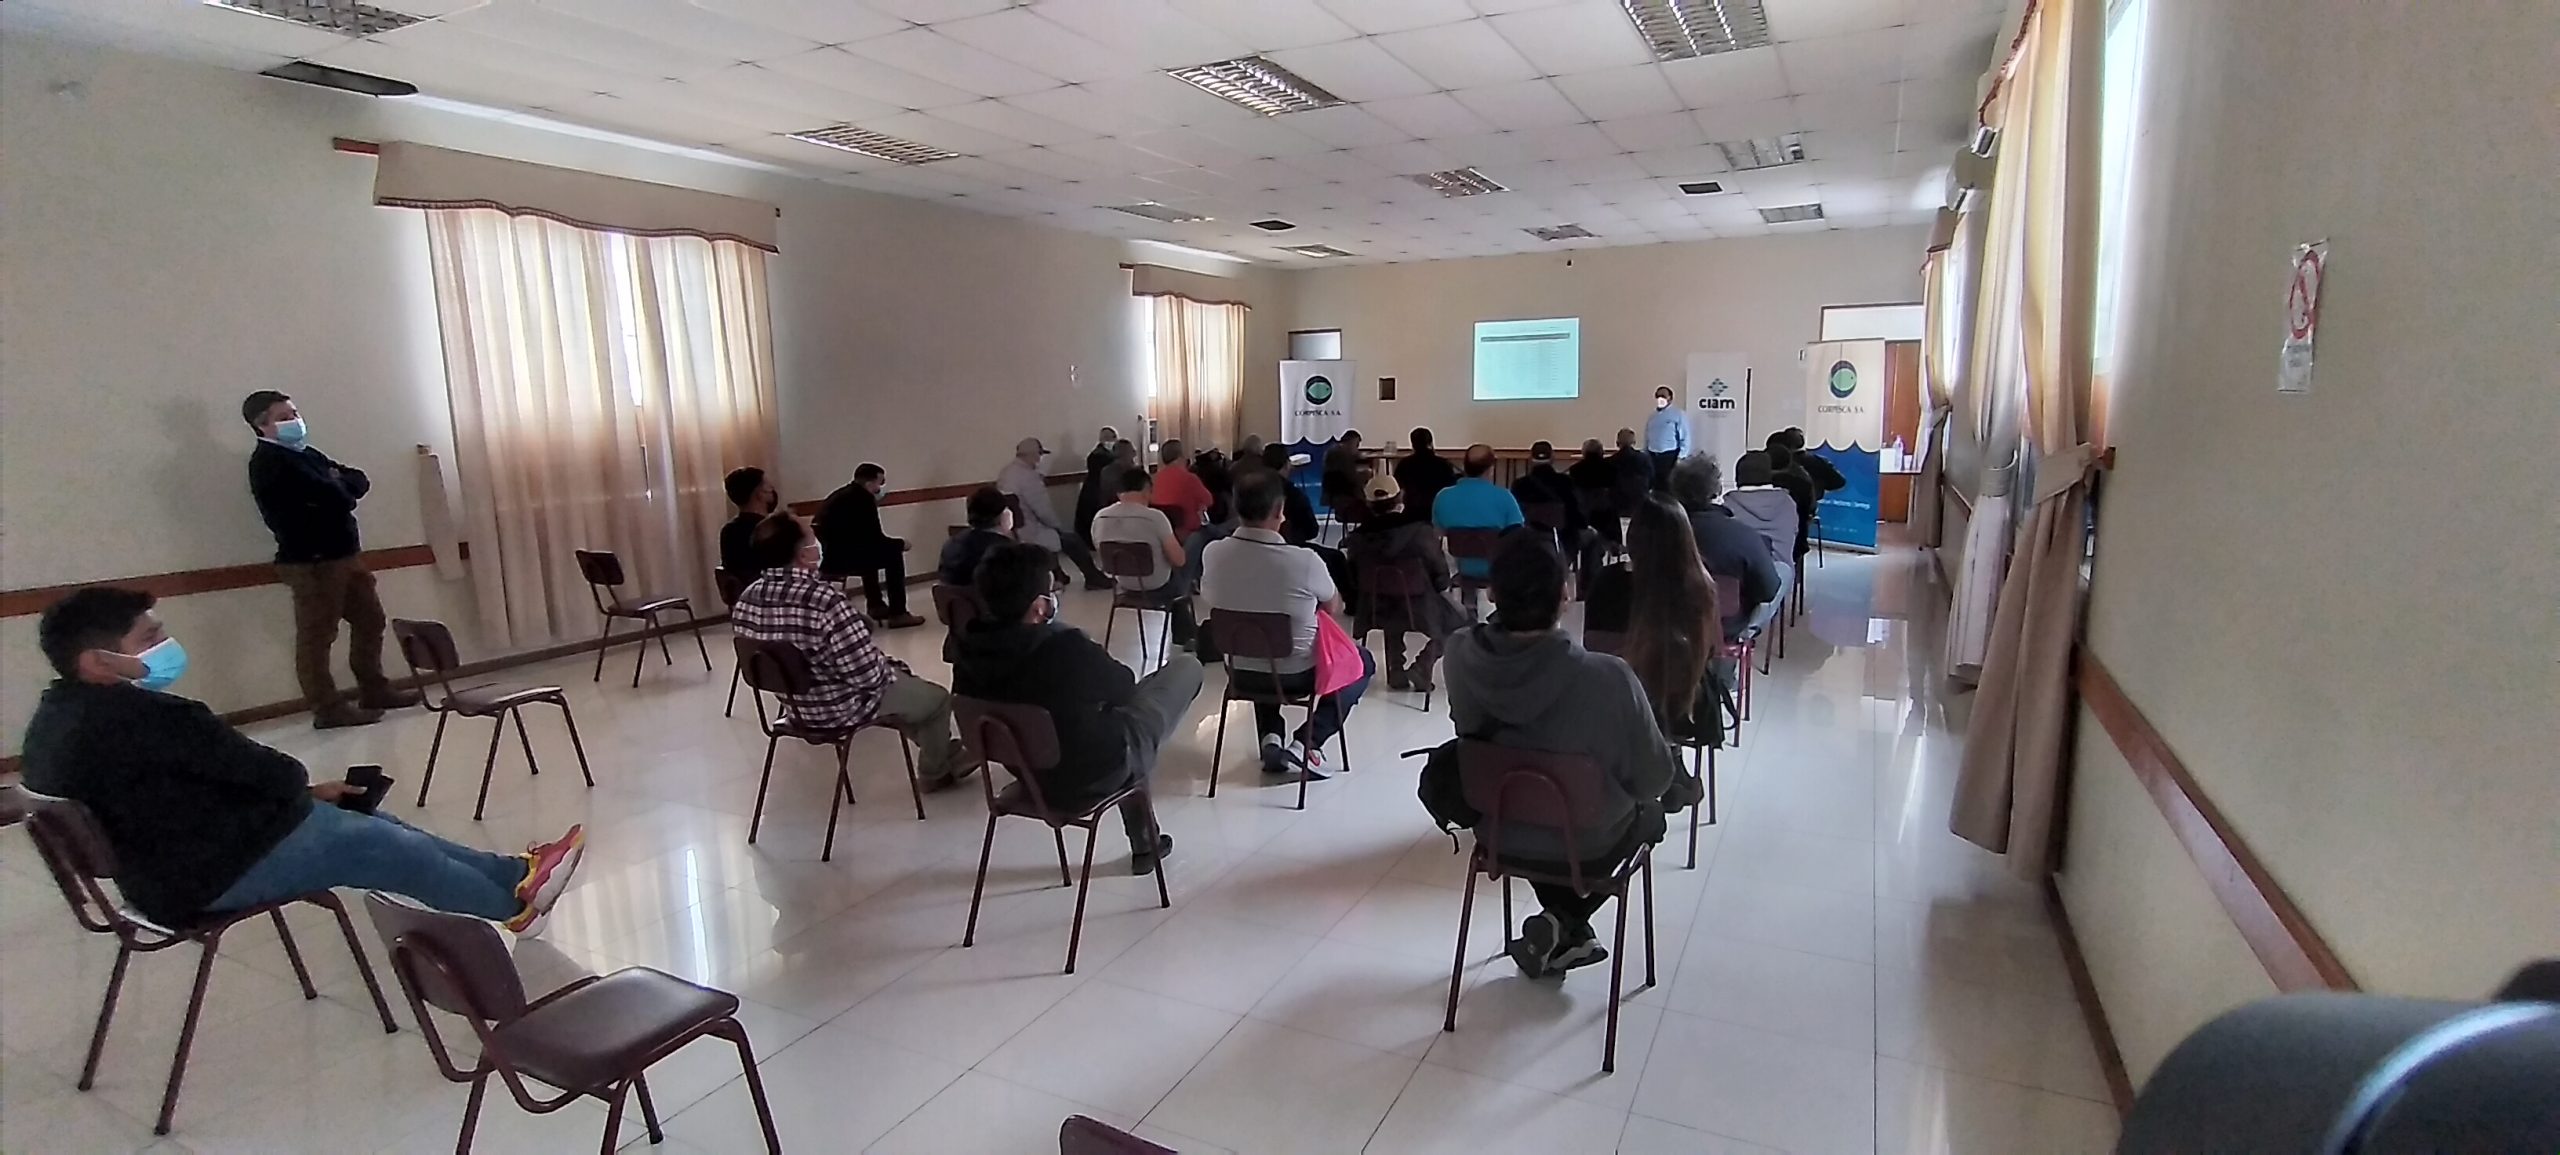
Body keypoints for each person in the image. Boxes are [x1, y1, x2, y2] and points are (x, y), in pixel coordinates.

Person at [21, 587, 586, 935]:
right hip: (204, 873)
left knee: (364, 819)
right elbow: (269, 772)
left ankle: (516, 875)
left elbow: (181, 788)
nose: (164, 645)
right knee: (384, 845)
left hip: (169, 865)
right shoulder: (152, 717)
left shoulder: (56, 716)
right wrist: (300, 789)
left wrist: (304, 794)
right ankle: (512, 908)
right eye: (149, 637)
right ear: (98, 661)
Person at [1443, 535, 1680, 979]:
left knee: (1543, 800)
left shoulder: (1458, 653)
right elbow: (1652, 782)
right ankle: (1564, 921)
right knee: (1651, 815)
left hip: (1497, 826)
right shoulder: (1609, 677)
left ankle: (1560, 928)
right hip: (1586, 840)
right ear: (1567, 593)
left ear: (1492, 593)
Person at [952, 543, 1205, 875]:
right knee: (1185, 668)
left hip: (1030, 773)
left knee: (1107, 718)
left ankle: (1146, 838)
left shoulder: (965, 652)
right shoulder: (1065, 649)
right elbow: (1124, 685)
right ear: (1040, 607)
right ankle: (1145, 840)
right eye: (1051, 589)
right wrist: (1068, 636)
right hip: (1094, 774)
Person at [733, 515, 974, 791]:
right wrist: (894, 668)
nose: (819, 542)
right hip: (841, 705)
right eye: (813, 537)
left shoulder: (747, 597)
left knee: (908, 693)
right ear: (804, 555)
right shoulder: (824, 600)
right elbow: (869, 678)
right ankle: (936, 773)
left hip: (795, 706)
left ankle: (942, 750)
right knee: (936, 700)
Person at [242, 390, 420, 729]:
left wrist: (339, 484)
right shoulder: (269, 462)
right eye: (283, 417)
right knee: (317, 638)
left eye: (294, 412)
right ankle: (327, 709)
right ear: (261, 425)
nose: (295, 420)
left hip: (344, 555)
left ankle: (374, 689)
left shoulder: (306, 454)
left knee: (371, 621)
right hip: (312, 561)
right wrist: (337, 485)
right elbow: (334, 495)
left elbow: (356, 479)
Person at [1200, 471, 1376, 779]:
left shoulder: (1213, 553)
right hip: (1297, 675)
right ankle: (1306, 743)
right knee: (1361, 662)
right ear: (1280, 512)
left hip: (1240, 672)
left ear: (1236, 508)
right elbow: (1333, 606)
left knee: (1256, 640)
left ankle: (1271, 738)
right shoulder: (1304, 561)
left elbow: (1209, 596)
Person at [1583, 494, 1724, 743]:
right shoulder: (1699, 587)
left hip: (1613, 704)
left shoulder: (1605, 581)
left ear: (1634, 538)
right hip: (1682, 708)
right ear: (1685, 539)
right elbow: (1711, 651)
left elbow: (1591, 647)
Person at [1341, 475, 1467, 691]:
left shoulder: (1356, 540)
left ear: (1369, 504)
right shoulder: (1420, 533)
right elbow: (1440, 574)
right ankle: (1423, 663)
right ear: (1400, 498)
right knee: (1460, 620)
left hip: (1374, 606)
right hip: (1419, 606)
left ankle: (1396, 671)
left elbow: (1352, 577)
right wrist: (1441, 587)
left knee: (1392, 608)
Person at [1666, 456, 1779, 650]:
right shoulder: (1743, 535)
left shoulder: (1657, 531)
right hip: (1724, 629)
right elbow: (1768, 591)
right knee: (1780, 573)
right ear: (1717, 490)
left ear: (1674, 491)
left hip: (1664, 625)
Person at [1089, 468, 1195, 646]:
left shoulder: (1100, 517)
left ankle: (1184, 632)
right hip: (1157, 585)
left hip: (1122, 585)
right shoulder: (1155, 518)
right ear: (1147, 489)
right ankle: (1186, 635)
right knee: (1183, 570)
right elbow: (1179, 560)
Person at [815, 463, 924, 629]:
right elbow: (875, 539)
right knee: (893, 554)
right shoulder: (863, 499)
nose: (881, 488)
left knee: (870, 552)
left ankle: (876, 605)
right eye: (880, 483)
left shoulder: (840, 496)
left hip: (832, 558)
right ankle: (898, 613)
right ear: (869, 483)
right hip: (847, 559)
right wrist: (901, 544)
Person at [999, 436, 1111, 590]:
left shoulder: (1006, 472)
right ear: (1033, 455)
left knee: (1052, 537)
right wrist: (1058, 526)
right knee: (1071, 539)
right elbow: (1042, 509)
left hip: (1014, 529)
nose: (1040, 459)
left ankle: (1059, 574)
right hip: (1029, 529)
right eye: (1039, 455)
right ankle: (1092, 577)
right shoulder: (1028, 477)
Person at [1433, 444, 1526, 612]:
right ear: (1490, 469)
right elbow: (1517, 534)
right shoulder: (1504, 497)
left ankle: (1469, 613)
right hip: (1496, 568)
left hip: (1459, 568)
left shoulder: (1443, 497)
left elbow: (1436, 535)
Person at [1723, 450, 1802, 633]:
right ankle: (1748, 631)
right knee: (1782, 571)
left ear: (1738, 477)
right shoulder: (1788, 504)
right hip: (1774, 586)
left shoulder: (1727, 507)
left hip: (1733, 588)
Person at [1511, 440, 1603, 590]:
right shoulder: (1565, 482)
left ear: (1530, 459)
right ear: (1553, 458)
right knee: (1593, 538)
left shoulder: (1519, 485)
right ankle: (1587, 588)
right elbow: (1576, 515)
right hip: (1564, 543)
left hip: (1529, 542)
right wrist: (1585, 525)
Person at [938, 486, 1015, 586]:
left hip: (958, 600)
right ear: (1004, 515)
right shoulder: (1007, 550)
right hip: (988, 600)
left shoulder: (951, 544)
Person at [721, 466, 778, 584]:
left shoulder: (728, 531)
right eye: (769, 488)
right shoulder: (773, 530)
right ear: (759, 494)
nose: (773, 491)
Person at [1148, 440, 1215, 537]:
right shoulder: (1190, 478)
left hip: (1161, 533)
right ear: (1181, 456)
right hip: (1189, 533)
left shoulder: (1153, 479)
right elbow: (1209, 501)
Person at [1567, 438, 1624, 550]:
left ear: (1583, 452)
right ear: (1601, 452)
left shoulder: (1575, 470)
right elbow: (1618, 494)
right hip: (1607, 518)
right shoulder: (1612, 470)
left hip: (1582, 518)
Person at [1080, 440, 1139, 547]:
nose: (1135, 454)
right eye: (1132, 451)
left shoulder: (1105, 471)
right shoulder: (1131, 472)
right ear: (1126, 453)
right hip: (1128, 515)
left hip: (1107, 516)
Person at [1262, 442, 1322, 545]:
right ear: (1286, 464)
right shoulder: (1293, 494)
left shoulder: (1253, 489)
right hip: (1290, 545)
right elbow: (1312, 530)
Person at [1393, 427, 1459, 518]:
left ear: (1412, 444)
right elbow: (1452, 487)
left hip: (1412, 513)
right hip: (1439, 512)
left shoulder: (1404, 464)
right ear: (1431, 443)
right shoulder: (1443, 464)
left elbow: (1396, 487)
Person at [1073, 425, 1121, 544]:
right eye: (1111, 438)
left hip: (1091, 489)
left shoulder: (1094, 454)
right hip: (1098, 491)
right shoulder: (1103, 457)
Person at [1642, 385, 1689, 490]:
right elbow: (1647, 436)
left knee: (1668, 487)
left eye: (1663, 396)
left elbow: (1685, 437)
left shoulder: (1678, 414)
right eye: (1658, 396)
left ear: (1670, 398)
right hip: (1652, 456)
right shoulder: (1652, 416)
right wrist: (1645, 453)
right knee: (1654, 487)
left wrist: (1681, 457)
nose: (1660, 398)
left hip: (1669, 456)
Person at [1610, 427, 1654, 511]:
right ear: (1634, 442)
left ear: (1617, 443)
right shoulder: (1645, 459)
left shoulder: (1610, 462)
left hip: (1617, 506)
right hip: (1640, 505)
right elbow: (1651, 480)